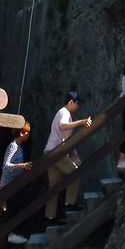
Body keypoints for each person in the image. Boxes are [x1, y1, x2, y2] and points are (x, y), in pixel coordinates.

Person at [43, 91, 92, 224]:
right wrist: (81, 122)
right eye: (78, 103)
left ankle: (50, 217)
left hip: (50, 152)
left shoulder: (64, 114)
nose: (79, 106)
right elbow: (63, 127)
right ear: (70, 102)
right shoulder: (64, 112)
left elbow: (68, 140)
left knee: (53, 187)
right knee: (75, 173)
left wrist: (75, 156)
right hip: (56, 152)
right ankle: (69, 204)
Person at [0, 122, 33, 245]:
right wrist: (22, 165)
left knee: (14, 209)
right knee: (17, 207)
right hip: (8, 185)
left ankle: (10, 236)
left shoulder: (20, 147)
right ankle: (11, 234)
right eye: (27, 132)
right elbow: (5, 166)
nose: (29, 135)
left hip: (14, 185)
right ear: (22, 133)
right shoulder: (13, 146)